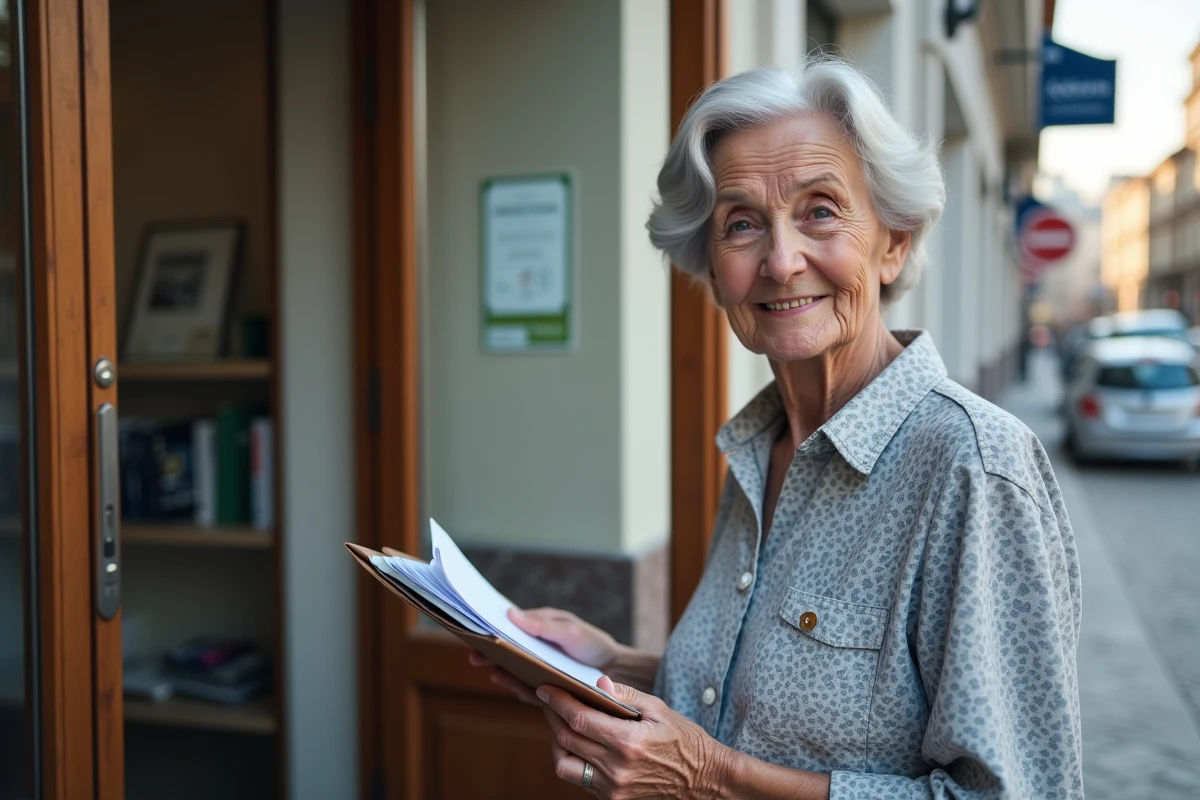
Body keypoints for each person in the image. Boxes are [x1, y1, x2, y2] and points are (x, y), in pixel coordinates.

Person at [470, 59, 1083, 799]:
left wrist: (707, 779)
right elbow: (760, 704)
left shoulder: (972, 467)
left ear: (892, 243)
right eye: (741, 224)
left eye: (820, 210)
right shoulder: (762, 450)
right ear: (712, 266)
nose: (781, 261)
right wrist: (612, 665)